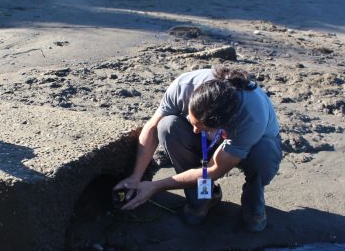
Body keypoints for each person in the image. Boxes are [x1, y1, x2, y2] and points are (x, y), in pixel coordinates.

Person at [113, 66, 282, 232]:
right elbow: (151, 128)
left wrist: (156, 186)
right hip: (208, 142)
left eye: (203, 127)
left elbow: (213, 170)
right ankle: (204, 197)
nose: (194, 130)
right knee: (167, 126)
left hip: (249, 146)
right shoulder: (184, 86)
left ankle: (253, 200)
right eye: (194, 123)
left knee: (264, 152)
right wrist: (136, 177)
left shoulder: (252, 117)